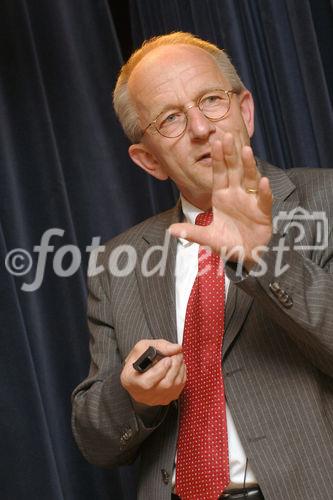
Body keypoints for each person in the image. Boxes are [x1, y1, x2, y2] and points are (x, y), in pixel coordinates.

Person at [71, 32, 333, 500]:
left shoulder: (326, 203)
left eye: (211, 100)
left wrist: (265, 259)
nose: (199, 128)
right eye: (170, 118)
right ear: (148, 159)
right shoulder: (116, 264)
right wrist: (135, 397)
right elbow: (95, 441)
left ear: (245, 110)